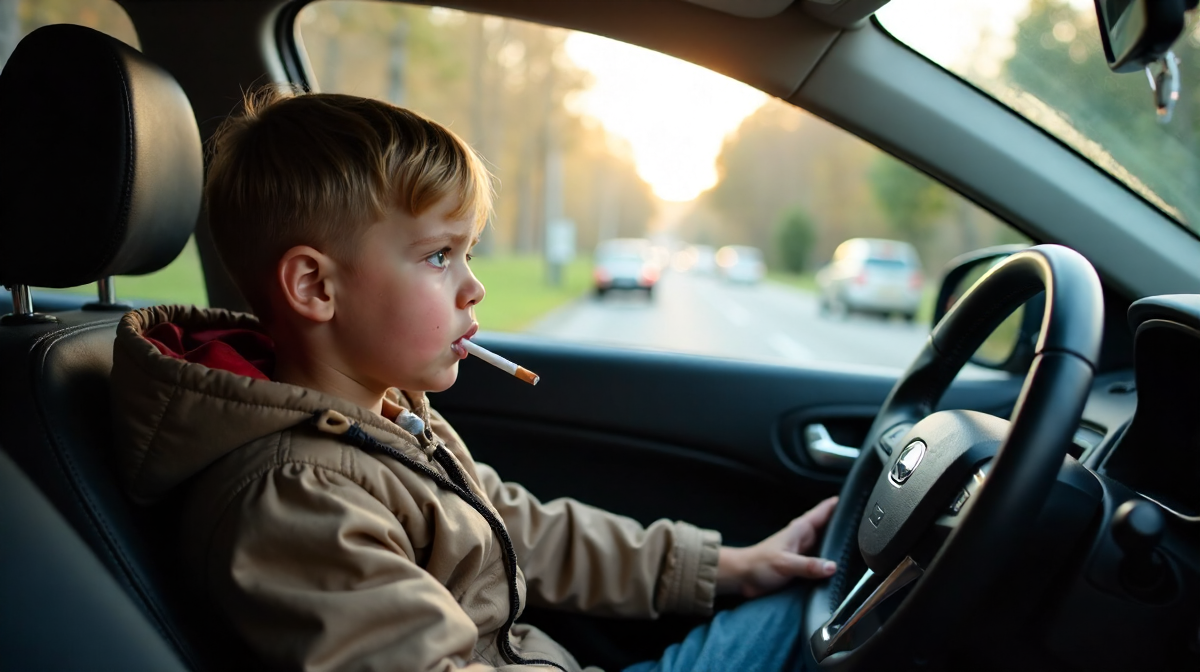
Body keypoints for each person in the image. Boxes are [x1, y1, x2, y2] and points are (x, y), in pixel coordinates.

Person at [109, 89, 839, 672]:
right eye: (439, 256)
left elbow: (520, 527)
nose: (474, 287)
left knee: (797, 611)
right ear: (315, 286)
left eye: (469, 254)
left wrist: (728, 567)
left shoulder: (386, 415)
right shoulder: (295, 498)